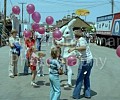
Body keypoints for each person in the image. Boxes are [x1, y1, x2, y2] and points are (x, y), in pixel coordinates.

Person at [68, 27, 94, 99]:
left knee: (80, 78)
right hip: (89, 61)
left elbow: (83, 47)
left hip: (85, 62)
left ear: (75, 35)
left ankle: (76, 95)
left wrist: (74, 48)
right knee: (86, 77)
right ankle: (87, 94)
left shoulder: (81, 40)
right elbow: (81, 51)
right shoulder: (80, 40)